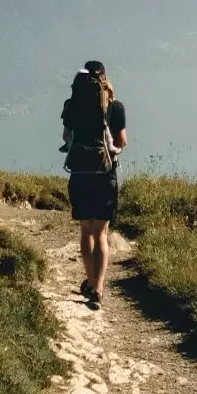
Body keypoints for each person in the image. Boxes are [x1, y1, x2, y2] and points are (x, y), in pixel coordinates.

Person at [60, 60, 127, 311]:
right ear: (104, 78)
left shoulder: (72, 104)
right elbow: (121, 142)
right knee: (101, 233)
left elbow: (66, 137)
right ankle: (98, 290)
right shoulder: (114, 106)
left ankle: (89, 281)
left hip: (79, 173)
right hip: (104, 174)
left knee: (86, 231)